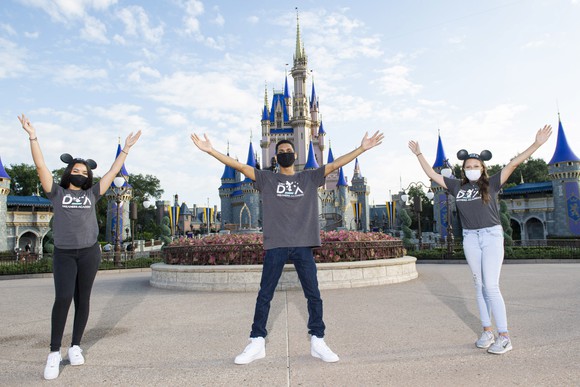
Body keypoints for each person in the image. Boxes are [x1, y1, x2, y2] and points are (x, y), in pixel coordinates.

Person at [191, 131, 384, 364]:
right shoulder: (267, 180)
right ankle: (257, 341)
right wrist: (211, 150)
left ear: (294, 155)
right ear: (275, 158)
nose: (285, 154)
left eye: (288, 151)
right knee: (265, 294)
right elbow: (240, 167)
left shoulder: (309, 178)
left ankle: (318, 340)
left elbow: (335, 164)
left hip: (303, 245)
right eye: (280, 152)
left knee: (313, 295)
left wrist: (361, 148)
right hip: (277, 245)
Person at [408, 124, 552, 355]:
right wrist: (419, 154)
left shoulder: (491, 183)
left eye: (475, 166)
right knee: (478, 285)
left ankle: (504, 336)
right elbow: (432, 175)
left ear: (482, 167)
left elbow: (513, 163)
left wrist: (536, 144)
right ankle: (487, 331)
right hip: (470, 238)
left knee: (491, 286)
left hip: (491, 235)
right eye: (468, 166)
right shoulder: (456, 185)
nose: (472, 169)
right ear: (463, 169)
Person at [18, 114, 141, 379]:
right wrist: (33, 137)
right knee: (62, 298)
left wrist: (126, 150)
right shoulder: (57, 193)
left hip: (89, 253)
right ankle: (53, 352)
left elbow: (111, 173)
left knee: (82, 299)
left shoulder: (92, 194)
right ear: (68, 172)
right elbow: (40, 167)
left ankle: (75, 346)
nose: (80, 174)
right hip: (64, 253)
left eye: (85, 172)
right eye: (76, 170)